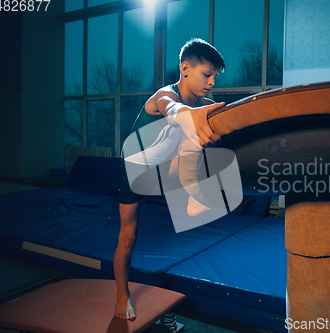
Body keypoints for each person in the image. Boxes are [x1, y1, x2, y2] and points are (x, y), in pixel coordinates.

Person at [114, 38, 226, 320]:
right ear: (185, 69)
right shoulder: (164, 95)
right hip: (135, 171)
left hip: (167, 171)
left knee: (202, 135)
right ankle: (121, 294)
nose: (211, 82)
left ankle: (192, 198)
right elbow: (172, 110)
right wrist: (192, 117)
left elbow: (225, 116)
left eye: (214, 76)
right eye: (206, 74)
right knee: (128, 237)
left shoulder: (204, 104)